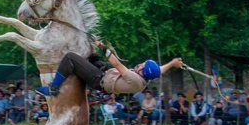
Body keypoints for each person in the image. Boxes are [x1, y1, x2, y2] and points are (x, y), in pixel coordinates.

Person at [35, 45, 183, 97]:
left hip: (98, 79)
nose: (140, 64)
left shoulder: (135, 79)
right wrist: (173, 63)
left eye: (142, 64)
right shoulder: (148, 77)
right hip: (104, 71)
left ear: (143, 71)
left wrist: (103, 47)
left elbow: (116, 64)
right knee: (90, 52)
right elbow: (159, 70)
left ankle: (53, 88)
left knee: (70, 58)